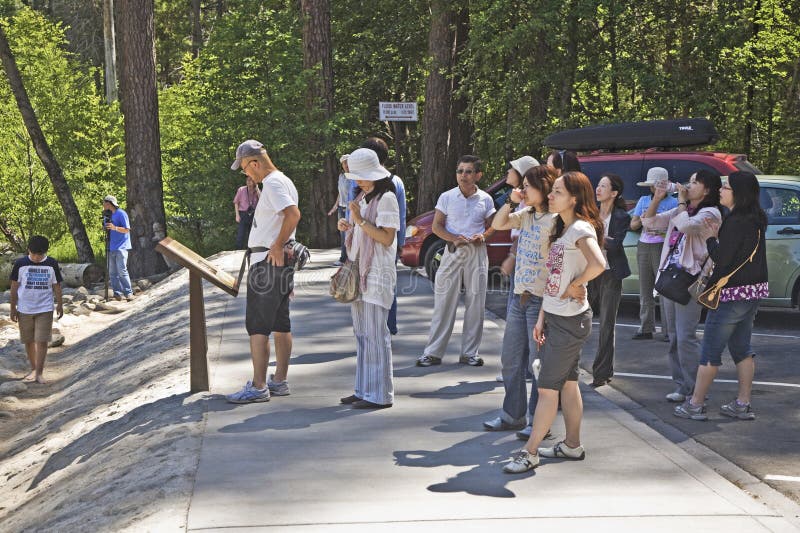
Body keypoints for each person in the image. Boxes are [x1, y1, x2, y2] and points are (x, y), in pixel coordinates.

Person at [503, 171, 606, 473]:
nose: (551, 195)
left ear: (574, 198)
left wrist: (579, 282)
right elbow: (553, 279)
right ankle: (572, 445)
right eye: (552, 191)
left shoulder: (580, 228)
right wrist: (543, 316)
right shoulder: (563, 227)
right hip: (557, 316)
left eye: (557, 192)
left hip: (570, 321)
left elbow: (599, 264)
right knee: (568, 384)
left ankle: (530, 451)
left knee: (547, 388)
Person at [674, 171, 768, 421]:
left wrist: (711, 239)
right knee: (741, 349)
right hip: (752, 293)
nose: (721, 191)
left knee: (710, 352)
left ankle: (695, 404)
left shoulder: (736, 222)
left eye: (726, 187)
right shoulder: (755, 219)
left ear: (738, 192)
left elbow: (722, 259)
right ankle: (742, 403)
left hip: (731, 294)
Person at [484, 164, 557, 437]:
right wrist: (510, 201)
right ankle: (512, 415)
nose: (522, 190)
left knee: (537, 364)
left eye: (528, 186)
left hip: (541, 301)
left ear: (544, 187)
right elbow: (498, 224)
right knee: (511, 360)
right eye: (522, 185)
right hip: (518, 297)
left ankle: (539, 423)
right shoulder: (526, 214)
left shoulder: (557, 220)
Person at [226, 140, 301, 404]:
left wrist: (277, 245)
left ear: (255, 163)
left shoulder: (272, 183)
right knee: (281, 323)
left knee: (258, 326)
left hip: (267, 262)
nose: (247, 174)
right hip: (278, 263)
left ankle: (259, 386)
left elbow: (293, 214)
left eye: (246, 168)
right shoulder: (284, 181)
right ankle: (279, 381)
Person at [642, 169, 722, 404]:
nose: (689, 185)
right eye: (690, 180)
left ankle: (698, 390)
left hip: (692, 280)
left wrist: (681, 200)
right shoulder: (684, 209)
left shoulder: (710, 213)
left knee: (687, 336)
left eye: (695, 182)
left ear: (707, 189)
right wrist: (657, 198)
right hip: (672, 278)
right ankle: (683, 386)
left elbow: (687, 227)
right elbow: (649, 222)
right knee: (675, 336)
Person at [416, 155, 496, 368]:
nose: (463, 175)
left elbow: (492, 226)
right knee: (444, 302)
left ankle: (470, 353)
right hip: (452, 251)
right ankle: (433, 353)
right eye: (460, 171)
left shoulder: (485, 199)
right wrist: (454, 238)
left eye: (468, 171)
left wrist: (484, 236)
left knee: (476, 303)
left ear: (478, 175)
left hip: (477, 252)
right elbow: (436, 227)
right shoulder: (447, 197)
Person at [337, 148, 400, 409]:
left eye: (361, 176)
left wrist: (360, 221)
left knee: (376, 334)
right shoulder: (365, 197)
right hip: (363, 272)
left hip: (377, 274)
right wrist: (349, 225)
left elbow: (386, 237)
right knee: (363, 334)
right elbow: (364, 231)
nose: (357, 181)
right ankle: (364, 389)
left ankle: (380, 393)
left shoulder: (386, 199)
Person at [496, 156, 540, 384]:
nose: (507, 171)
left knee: (528, 328)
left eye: (511, 169)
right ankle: (520, 370)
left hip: (531, 278)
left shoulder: (535, 208)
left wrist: (512, 257)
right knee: (517, 326)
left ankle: (530, 372)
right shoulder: (521, 202)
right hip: (521, 272)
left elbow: (523, 235)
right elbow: (499, 223)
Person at [359, 137, 406, 336]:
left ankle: (385, 328)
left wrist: (397, 243)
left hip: (380, 243)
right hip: (369, 243)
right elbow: (403, 216)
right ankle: (386, 328)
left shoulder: (388, 185)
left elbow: (397, 217)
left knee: (384, 287)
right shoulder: (370, 182)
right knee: (385, 287)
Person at [588, 173, 631, 387]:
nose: (598, 189)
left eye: (603, 186)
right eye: (598, 184)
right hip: (589, 272)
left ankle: (602, 373)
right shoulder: (590, 213)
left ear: (614, 193)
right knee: (577, 318)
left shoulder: (622, 216)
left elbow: (616, 244)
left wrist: (593, 238)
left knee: (606, 324)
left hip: (611, 273)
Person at [630, 167, 678, 341]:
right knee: (645, 288)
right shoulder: (643, 200)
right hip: (644, 245)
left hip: (663, 247)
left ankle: (668, 331)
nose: (653, 189)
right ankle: (646, 327)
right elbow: (633, 225)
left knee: (664, 288)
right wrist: (645, 218)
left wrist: (655, 221)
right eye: (651, 185)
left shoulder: (674, 202)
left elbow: (677, 228)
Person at [9, 235, 64, 384]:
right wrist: (13, 308)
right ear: (28, 250)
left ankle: (39, 373)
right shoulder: (20, 264)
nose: (36, 258)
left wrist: (60, 304)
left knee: (42, 340)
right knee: (29, 340)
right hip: (24, 308)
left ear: (45, 252)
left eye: (40, 255)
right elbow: (14, 286)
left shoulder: (51, 263)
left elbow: (56, 285)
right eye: (33, 254)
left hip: (45, 308)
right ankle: (33, 369)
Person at [103, 194, 135, 301]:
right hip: (111, 247)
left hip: (122, 246)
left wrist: (115, 227)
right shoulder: (107, 216)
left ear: (109, 203)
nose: (103, 205)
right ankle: (117, 293)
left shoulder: (121, 213)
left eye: (104, 203)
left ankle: (128, 293)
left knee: (122, 270)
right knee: (112, 272)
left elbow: (127, 229)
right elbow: (107, 229)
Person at [327, 155, 350, 266]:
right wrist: (335, 207)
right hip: (341, 208)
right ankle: (343, 259)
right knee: (343, 235)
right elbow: (340, 194)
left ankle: (350, 259)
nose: (346, 165)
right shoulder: (341, 176)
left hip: (351, 209)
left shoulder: (355, 177)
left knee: (350, 234)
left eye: (347, 162)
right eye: (344, 163)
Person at [234, 175, 261, 250]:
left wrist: (257, 189)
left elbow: (262, 200)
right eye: (247, 180)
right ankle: (238, 250)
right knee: (241, 234)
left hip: (253, 214)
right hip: (243, 214)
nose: (248, 182)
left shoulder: (256, 191)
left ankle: (250, 251)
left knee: (251, 234)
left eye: (250, 180)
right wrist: (237, 215)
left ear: (254, 182)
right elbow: (236, 202)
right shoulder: (241, 189)